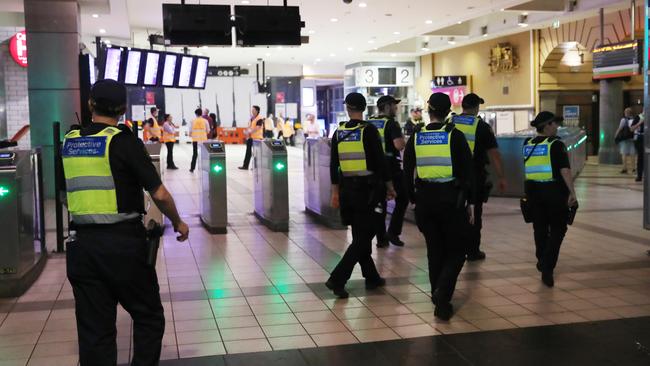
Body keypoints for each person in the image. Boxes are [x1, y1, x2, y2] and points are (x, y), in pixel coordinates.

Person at [62, 79, 189, 366]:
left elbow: (64, 193)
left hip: (82, 247)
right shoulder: (123, 140)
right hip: (123, 246)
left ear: (90, 104)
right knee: (147, 315)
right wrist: (178, 222)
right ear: (122, 109)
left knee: (95, 330)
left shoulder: (69, 142)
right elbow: (159, 193)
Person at [403, 92, 475, 320]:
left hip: (424, 200)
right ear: (447, 112)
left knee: (435, 249)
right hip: (450, 201)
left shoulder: (416, 135)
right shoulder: (455, 135)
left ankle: (437, 294)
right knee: (457, 250)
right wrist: (471, 202)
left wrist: (413, 199)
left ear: (428, 110)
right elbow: (467, 171)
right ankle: (442, 295)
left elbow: (407, 170)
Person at [326, 92, 396, 298]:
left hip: (348, 191)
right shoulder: (369, 130)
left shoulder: (338, 132)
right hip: (369, 191)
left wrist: (335, 192)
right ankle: (337, 278)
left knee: (360, 234)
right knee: (366, 235)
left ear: (347, 108)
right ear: (364, 109)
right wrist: (390, 186)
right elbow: (381, 162)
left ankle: (371, 276)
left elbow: (333, 165)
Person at [523, 111, 578, 288]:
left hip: (533, 193)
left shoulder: (527, 143)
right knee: (558, 229)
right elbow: (565, 171)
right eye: (554, 123)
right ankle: (547, 266)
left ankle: (542, 259)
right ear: (546, 126)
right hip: (554, 193)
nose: (556, 126)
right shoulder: (556, 145)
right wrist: (572, 193)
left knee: (539, 228)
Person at [451, 93, 507, 261]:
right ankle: (472, 250)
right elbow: (494, 154)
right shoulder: (481, 126)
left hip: (451, 175)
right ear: (476, 107)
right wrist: (501, 177)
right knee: (474, 212)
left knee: (455, 211)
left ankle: (455, 246)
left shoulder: (450, 122)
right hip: (473, 176)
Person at [369, 95, 408, 248]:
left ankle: (381, 239)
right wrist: (403, 140)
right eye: (394, 105)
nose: (396, 108)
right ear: (386, 107)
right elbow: (399, 145)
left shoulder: (370, 122)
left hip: (374, 168)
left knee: (380, 203)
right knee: (402, 198)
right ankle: (393, 232)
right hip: (391, 167)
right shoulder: (391, 124)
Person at [239, 106, 264, 170]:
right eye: (252, 110)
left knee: (256, 153)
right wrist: (247, 131)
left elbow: (258, 127)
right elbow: (250, 126)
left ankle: (256, 167)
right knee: (248, 152)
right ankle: (245, 166)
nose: (252, 111)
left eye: (253, 110)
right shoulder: (252, 118)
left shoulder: (260, 118)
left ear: (257, 111)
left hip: (258, 138)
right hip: (251, 138)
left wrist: (250, 131)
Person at [616, 107, 636, 174]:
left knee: (624, 153)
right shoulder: (634, 119)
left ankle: (625, 168)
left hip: (624, 139)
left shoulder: (623, 120)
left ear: (626, 113)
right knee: (632, 153)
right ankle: (633, 168)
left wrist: (616, 135)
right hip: (632, 138)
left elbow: (620, 128)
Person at [190, 108, 210, 173]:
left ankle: (192, 168)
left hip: (195, 139)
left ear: (196, 114)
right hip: (203, 139)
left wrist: (192, 134)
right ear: (201, 113)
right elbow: (208, 130)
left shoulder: (192, 120)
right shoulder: (205, 121)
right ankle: (205, 167)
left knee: (195, 153)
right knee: (204, 154)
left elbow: (190, 131)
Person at [632, 110, 645, 182]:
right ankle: (639, 175)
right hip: (640, 138)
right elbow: (631, 129)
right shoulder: (638, 117)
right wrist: (640, 122)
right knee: (641, 156)